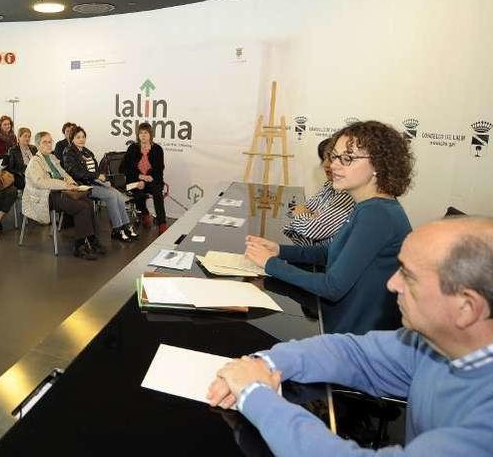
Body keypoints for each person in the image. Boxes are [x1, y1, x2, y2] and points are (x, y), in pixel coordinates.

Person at [208, 216, 493, 456]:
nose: (392, 284)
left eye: (409, 275)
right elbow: (352, 353)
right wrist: (265, 364)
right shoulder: (433, 344)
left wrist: (255, 395)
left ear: (466, 307)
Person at [245, 120, 414, 335]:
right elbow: (330, 252)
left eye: (348, 159)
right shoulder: (369, 206)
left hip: (354, 337)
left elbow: (331, 287)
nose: (334, 165)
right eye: (335, 156)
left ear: (379, 166)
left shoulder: (377, 214)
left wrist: (270, 264)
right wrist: (279, 250)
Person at [23, 131, 105, 260]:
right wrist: (65, 185)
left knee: (88, 202)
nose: (49, 144)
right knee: (81, 207)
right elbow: (41, 182)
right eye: (45, 142)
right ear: (38, 145)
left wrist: (71, 181)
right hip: (45, 196)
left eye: (50, 141)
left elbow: (64, 173)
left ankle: (91, 239)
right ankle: (79, 247)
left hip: (59, 191)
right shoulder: (35, 162)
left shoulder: (52, 158)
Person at [63, 126, 138, 243]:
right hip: (82, 186)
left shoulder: (87, 151)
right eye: (78, 137)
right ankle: (117, 229)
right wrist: (96, 176)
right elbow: (75, 172)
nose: (81, 139)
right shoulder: (68, 152)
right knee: (111, 195)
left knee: (118, 194)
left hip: (93, 182)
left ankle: (126, 225)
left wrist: (101, 177)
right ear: (72, 138)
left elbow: (96, 170)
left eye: (83, 137)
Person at [283, 138, 354, 246]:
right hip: (308, 256)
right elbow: (296, 210)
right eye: (324, 158)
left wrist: (307, 216)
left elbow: (312, 230)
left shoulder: (349, 194)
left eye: (332, 158)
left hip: (324, 261)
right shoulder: (329, 185)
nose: (325, 165)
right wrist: (308, 216)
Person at [123, 122, 167, 233]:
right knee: (138, 193)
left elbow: (159, 169)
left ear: (150, 135)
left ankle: (162, 223)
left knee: (157, 192)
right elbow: (123, 168)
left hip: (152, 180)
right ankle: (145, 213)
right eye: (141, 133)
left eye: (146, 133)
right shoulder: (133, 148)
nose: (143, 135)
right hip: (135, 180)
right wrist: (140, 177)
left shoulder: (157, 149)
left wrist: (149, 178)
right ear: (138, 135)